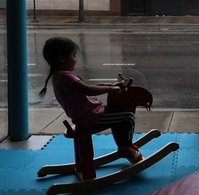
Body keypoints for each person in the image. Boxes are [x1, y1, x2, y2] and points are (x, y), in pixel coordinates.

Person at [39, 37, 143, 166]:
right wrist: (110, 89)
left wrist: (108, 86)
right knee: (128, 116)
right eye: (74, 55)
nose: (76, 59)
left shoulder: (59, 75)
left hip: (87, 114)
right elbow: (88, 90)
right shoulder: (65, 76)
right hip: (89, 116)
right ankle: (125, 148)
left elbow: (84, 88)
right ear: (62, 58)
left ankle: (124, 145)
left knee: (118, 113)